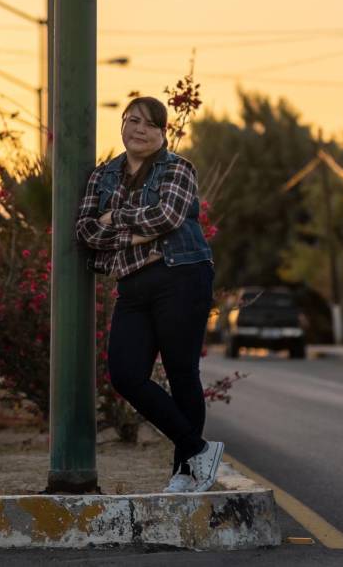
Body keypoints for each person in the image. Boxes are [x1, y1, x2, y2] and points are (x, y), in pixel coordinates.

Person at [75, 96, 223, 494]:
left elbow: (167, 217)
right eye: (132, 120)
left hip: (182, 276)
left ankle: (186, 474)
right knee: (125, 374)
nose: (139, 130)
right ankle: (198, 450)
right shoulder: (102, 176)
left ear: (163, 133)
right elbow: (86, 231)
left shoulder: (178, 169)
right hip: (134, 284)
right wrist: (138, 234)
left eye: (150, 125)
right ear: (122, 124)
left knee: (181, 374)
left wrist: (115, 219)